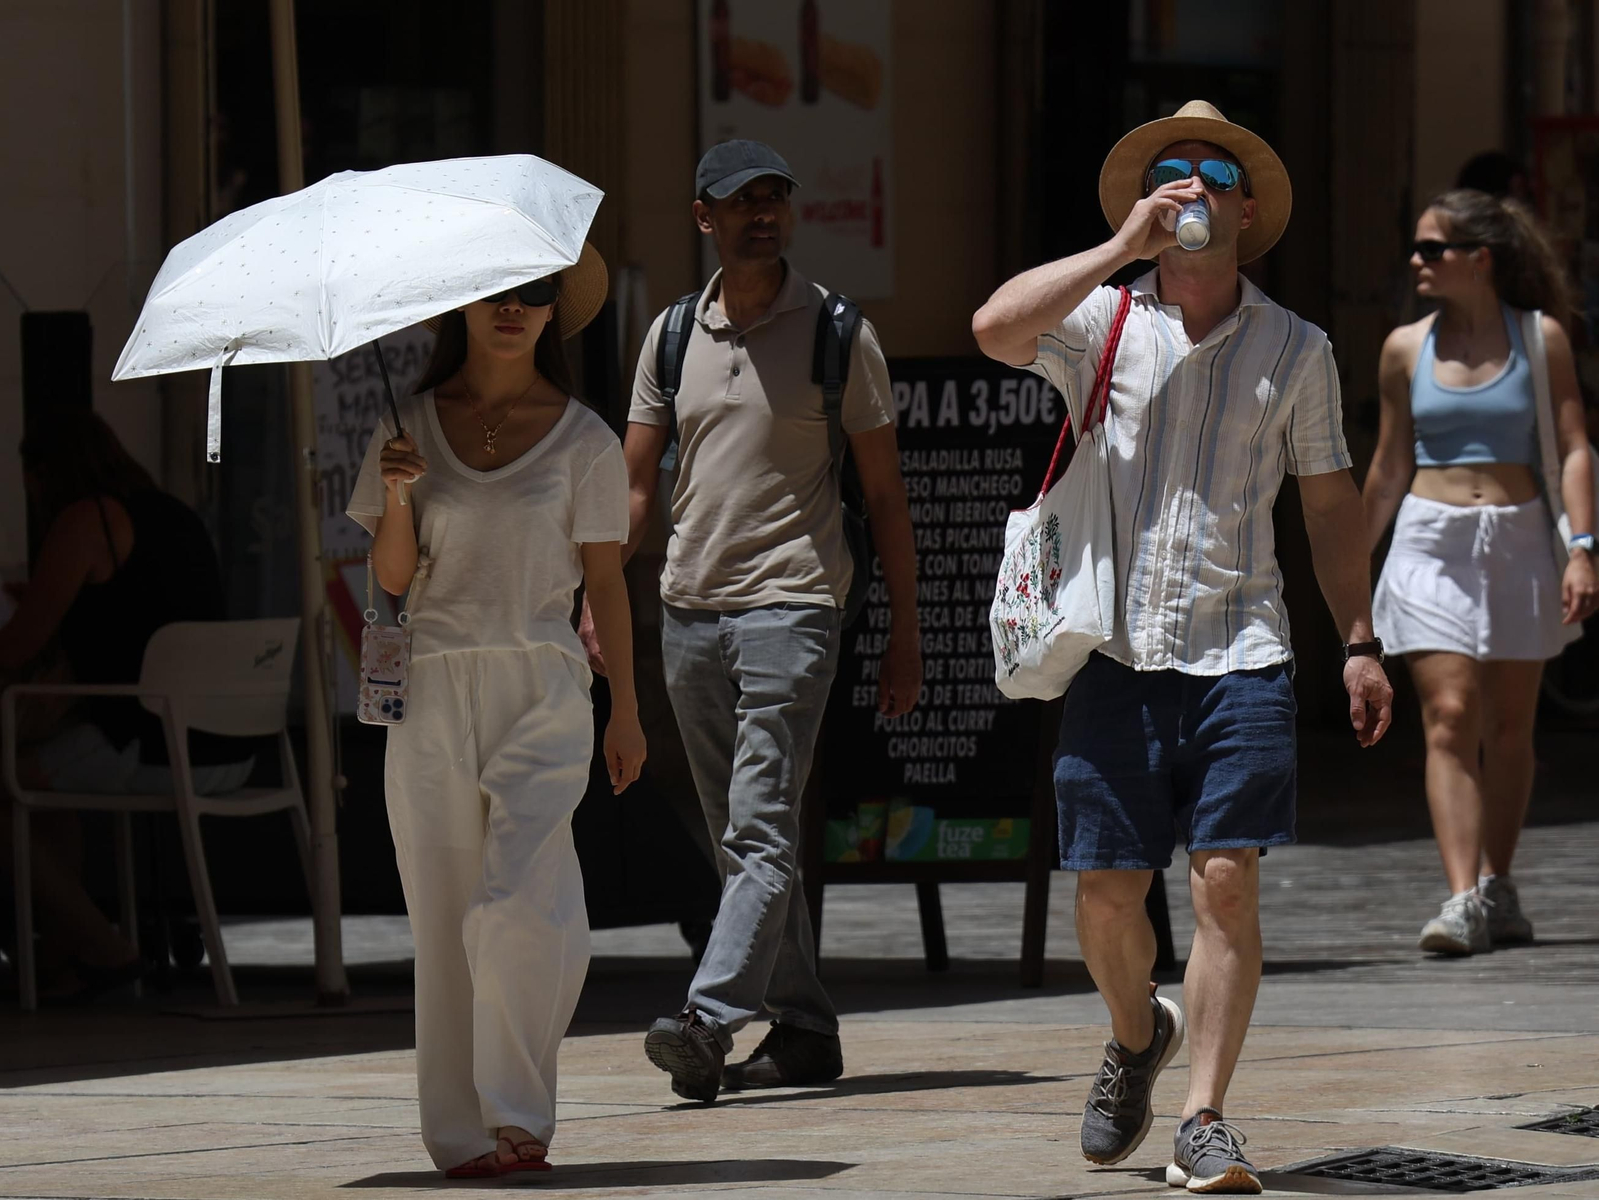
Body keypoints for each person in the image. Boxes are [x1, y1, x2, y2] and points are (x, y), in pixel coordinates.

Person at [973, 101, 1393, 1194]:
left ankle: (1205, 1118)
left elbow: (1331, 503)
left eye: (1215, 171)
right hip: (1112, 656)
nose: (1193, 185)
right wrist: (1120, 248)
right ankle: (1133, 1035)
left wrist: (1357, 638)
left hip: (1241, 651)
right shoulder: (1103, 321)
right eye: (1172, 170)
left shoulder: (1297, 348)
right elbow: (991, 330)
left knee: (1223, 886)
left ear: (1248, 206)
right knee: (1107, 894)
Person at [579, 140, 921, 1103]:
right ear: (705, 218)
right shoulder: (672, 335)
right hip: (687, 613)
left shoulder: (838, 334)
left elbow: (886, 495)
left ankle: (709, 1017)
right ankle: (805, 1030)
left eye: (774, 198)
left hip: (796, 607)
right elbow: (636, 490)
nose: (760, 214)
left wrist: (906, 632)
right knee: (741, 838)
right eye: (740, 202)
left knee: (763, 828)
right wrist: (594, 599)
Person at [345, 243, 645, 1178]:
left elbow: (607, 585)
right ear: (463, 309)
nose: (514, 308)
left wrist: (626, 710)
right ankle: (463, 1135)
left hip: (543, 684)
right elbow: (389, 583)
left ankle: (520, 1108)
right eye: (496, 294)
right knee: (443, 918)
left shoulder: (587, 440)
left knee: (519, 899)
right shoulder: (407, 432)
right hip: (429, 685)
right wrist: (398, 493)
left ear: (556, 313)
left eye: (534, 294)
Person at [1362, 190, 1597, 956]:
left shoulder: (1541, 338)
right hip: (1430, 540)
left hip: (1520, 538)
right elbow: (1392, 461)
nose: (1417, 261)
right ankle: (1462, 895)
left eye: (1434, 249)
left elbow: (1570, 447)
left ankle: (1499, 883)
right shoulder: (1404, 347)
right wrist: (1349, 563)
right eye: (1418, 247)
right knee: (1452, 714)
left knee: (1508, 727)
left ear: (1480, 259)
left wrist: (1585, 546)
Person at [0, 412, 252, 1001]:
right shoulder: (175, 515)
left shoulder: (86, 520)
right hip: (232, 745)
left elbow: (18, 645)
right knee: (42, 786)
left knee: (5, 791)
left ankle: (104, 945)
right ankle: (60, 963)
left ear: (43, 474)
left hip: (147, 744)